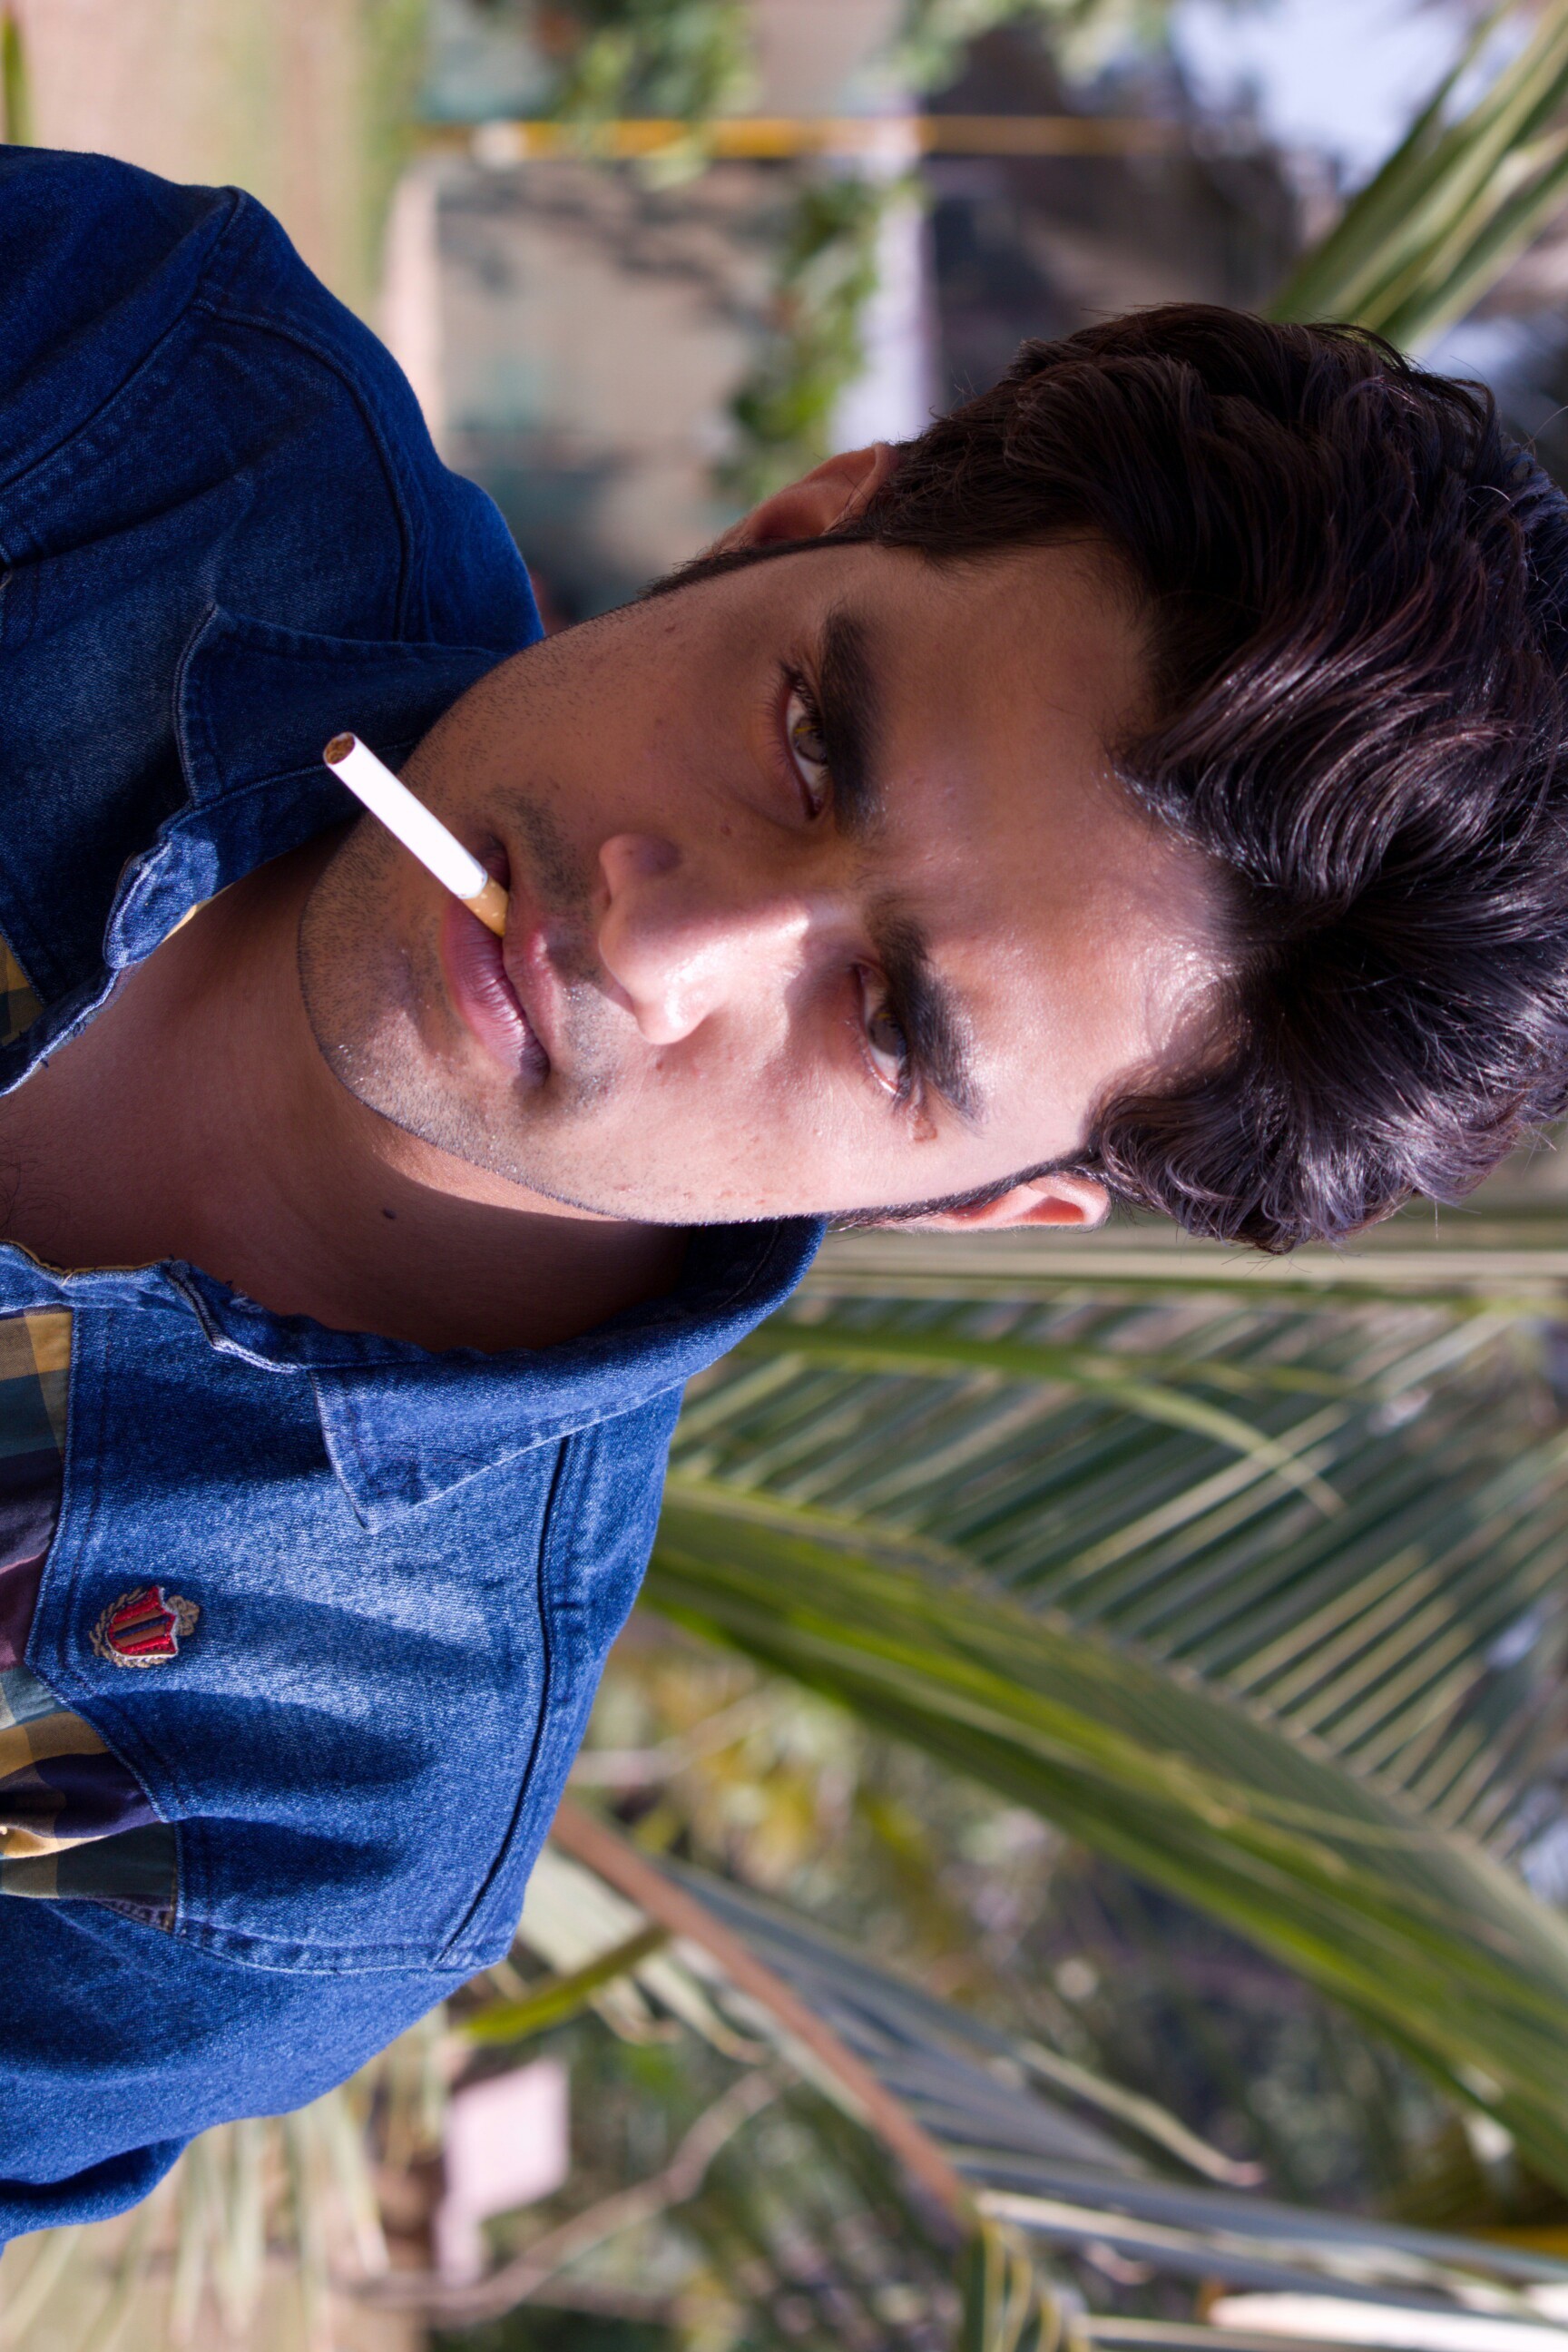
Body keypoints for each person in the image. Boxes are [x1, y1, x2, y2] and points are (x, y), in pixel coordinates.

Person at [4, 138, 1568, 2239]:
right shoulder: (132, 398)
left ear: (985, 1204)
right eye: (813, 742)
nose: (655, 944)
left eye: (892, 1022)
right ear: (805, 519)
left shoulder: (283, 1832)